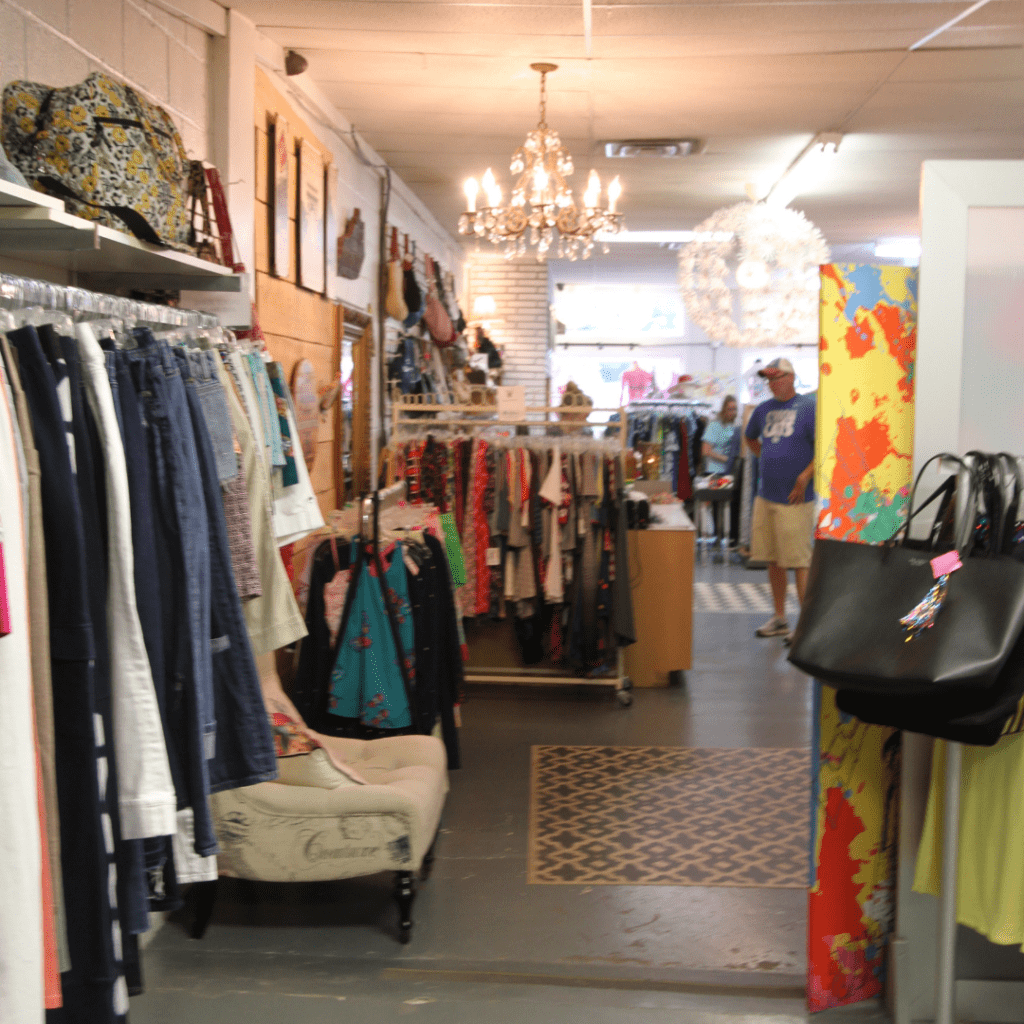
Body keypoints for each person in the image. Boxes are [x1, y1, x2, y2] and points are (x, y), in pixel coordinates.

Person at [744, 358, 816, 641]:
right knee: (773, 559)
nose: (772, 385)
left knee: (799, 560)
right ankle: (780, 618)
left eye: (776, 379)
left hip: (795, 499)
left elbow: (824, 446)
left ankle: (806, 624)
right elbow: (750, 438)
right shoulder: (763, 410)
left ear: (791, 378)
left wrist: (805, 475)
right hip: (767, 495)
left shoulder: (809, 408)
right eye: (769, 380)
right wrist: (768, 457)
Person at [702, 394, 738, 474]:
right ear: (724, 409)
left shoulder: (732, 425)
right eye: (730, 409)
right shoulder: (715, 425)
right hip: (715, 471)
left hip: (728, 470)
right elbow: (706, 451)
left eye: (735, 409)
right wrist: (727, 459)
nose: (733, 412)